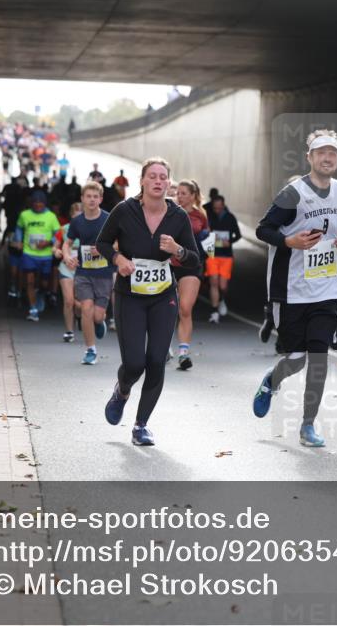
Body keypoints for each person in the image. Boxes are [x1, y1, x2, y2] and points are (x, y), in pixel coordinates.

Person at [252, 129, 337, 448]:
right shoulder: (292, 193)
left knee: (319, 358)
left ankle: (308, 425)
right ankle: (272, 380)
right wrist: (288, 241)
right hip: (293, 289)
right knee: (296, 359)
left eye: (332, 153)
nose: (327, 157)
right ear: (308, 157)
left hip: (328, 288)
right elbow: (263, 229)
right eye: (320, 152)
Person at [96, 157, 199, 446]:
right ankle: (122, 391)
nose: (157, 181)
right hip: (130, 296)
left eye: (163, 177)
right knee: (134, 363)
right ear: (142, 181)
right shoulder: (124, 210)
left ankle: (141, 425)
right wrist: (118, 259)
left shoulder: (178, 216)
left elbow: (195, 259)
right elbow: (102, 243)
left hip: (163, 297)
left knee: (156, 360)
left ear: (169, 183)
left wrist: (177, 250)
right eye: (152, 176)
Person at [63, 181, 115, 365]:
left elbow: (119, 243)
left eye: (95, 196)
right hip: (83, 272)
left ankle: (100, 322)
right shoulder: (77, 221)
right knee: (86, 309)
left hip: (104, 273)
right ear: (82, 199)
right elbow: (67, 243)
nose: (92, 200)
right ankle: (90, 350)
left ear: (100, 199)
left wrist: (103, 249)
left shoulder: (108, 219)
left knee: (97, 315)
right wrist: (67, 256)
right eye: (88, 196)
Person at [170, 179, 210, 370]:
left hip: (191, 266)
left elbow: (209, 244)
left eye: (184, 193)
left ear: (193, 196)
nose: (180, 196)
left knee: (185, 308)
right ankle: (162, 348)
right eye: (178, 193)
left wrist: (207, 260)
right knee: (165, 310)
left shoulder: (200, 216)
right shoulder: (169, 212)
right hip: (168, 265)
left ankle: (183, 354)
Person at [17, 189, 60, 321]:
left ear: (44, 204)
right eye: (35, 203)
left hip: (45, 255)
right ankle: (33, 309)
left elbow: (58, 234)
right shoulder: (25, 215)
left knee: (44, 283)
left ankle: (41, 293)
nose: (37, 205)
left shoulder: (51, 216)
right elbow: (19, 228)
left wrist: (49, 242)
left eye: (40, 203)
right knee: (30, 281)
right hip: (29, 253)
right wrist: (19, 241)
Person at [204, 194, 241, 323]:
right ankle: (214, 311)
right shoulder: (208, 216)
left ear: (223, 206)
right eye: (215, 208)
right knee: (213, 281)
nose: (217, 210)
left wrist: (229, 241)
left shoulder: (230, 218)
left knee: (223, 285)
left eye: (219, 208)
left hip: (226, 255)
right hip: (212, 253)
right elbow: (203, 233)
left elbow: (238, 235)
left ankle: (221, 299)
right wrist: (207, 234)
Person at [54, 202, 83, 342]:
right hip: (66, 268)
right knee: (69, 301)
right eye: (75, 217)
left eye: (81, 216)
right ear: (71, 216)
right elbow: (54, 248)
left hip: (83, 270)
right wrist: (58, 251)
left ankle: (79, 315)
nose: (78, 220)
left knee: (80, 303)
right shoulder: (63, 230)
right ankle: (69, 331)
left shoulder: (89, 230)